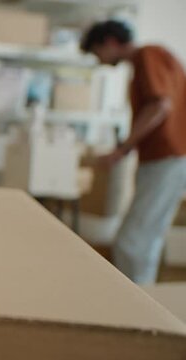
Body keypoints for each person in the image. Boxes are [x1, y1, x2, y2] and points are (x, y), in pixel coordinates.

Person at [81, 20, 186, 284]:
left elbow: (160, 105)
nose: (99, 60)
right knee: (146, 240)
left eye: (97, 52)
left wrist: (123, 148)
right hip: (166, 158)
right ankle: (143, 306)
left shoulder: (148, 55)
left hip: (167, 157)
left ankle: (136, 312)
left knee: (132, 242)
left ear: (110, 42)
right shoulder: (147, 60)